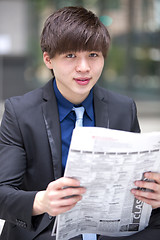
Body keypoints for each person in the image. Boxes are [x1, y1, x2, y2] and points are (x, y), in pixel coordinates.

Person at [0, 6, 160, 240]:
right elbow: (2, 193)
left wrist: (152, 193)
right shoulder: (20, 111)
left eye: (93, 55)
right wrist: (41, 201)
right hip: (47, 229)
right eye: (70, 55)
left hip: (111, 227)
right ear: (48, 60)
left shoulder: (123, 108)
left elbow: (135, 182)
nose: (84, 67)